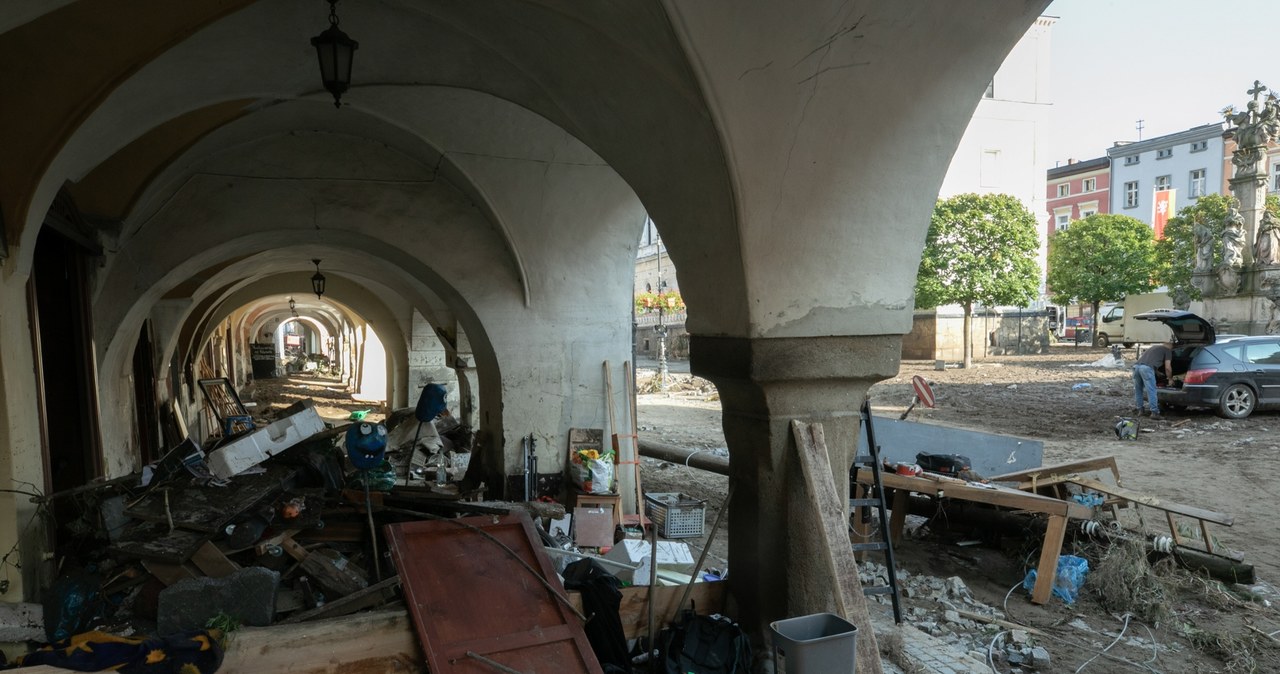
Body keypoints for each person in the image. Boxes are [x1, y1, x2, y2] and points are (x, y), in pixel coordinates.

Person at [1133, 341, 1173, 419]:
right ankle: (1154, 413)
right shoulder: (1168, 351)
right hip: (1146, 369)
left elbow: (1148, 361)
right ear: (1171, 345)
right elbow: (1168, 368)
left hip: (1136, 367)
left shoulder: (1154, 347)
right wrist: (1170, 379)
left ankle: (1140, 410)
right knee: (1151, 390)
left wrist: (1156, 372)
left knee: (1138, 390)